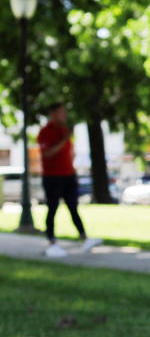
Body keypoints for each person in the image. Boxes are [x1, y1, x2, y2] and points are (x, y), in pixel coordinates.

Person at [37, 102, 101, 257]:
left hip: (69, 175)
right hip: (52, 177)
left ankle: (84, 238)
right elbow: (47, 153)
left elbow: (71, 152)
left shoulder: (65, 130)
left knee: (73, 207)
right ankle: (52, 242)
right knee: (52, 208)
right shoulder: (46, 132)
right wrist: (64, 139)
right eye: (61, 112)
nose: (64, 115)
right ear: (52, 114)